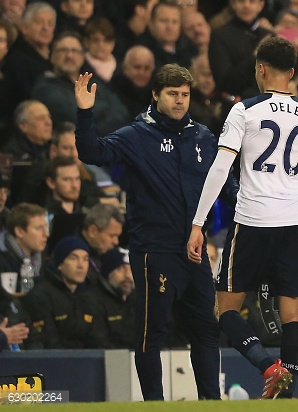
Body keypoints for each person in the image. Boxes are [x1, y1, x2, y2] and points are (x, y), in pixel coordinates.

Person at [74, 63, 238, 401]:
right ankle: (154, 406)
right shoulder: (137, 135)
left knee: (207, 331)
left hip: (195, 251)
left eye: (185, 95)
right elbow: (92, 152)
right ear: (155, 95)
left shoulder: (203, 137)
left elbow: (227, 187)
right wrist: (84, 113)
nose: (180, 101)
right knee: (153, 333)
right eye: (172, 94)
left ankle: (211, 402)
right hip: (155, 250)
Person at [187, 36, 298, 399]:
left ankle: (268, 366)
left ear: (261, 69)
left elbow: (221, 169)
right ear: (293, 73)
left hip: (251, 222)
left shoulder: (245, 110)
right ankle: (287, 391)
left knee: (226, 310)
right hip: (293, 222)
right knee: (291, 308)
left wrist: (197, 223)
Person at [23, 236, 107, 349]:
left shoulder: (90, 295)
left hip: (88, 362)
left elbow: (98, 339)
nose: (81, 265)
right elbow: (48, 342)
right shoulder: (41, 296)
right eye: (73, 258)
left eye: (85, 259)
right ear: (60, 264)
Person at [95, 246, 135, 349]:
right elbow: (99, 341)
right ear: (108, 273)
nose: (127, 276)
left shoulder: (143, 301)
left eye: (131, 269)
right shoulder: (94, 302)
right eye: (120, 269)